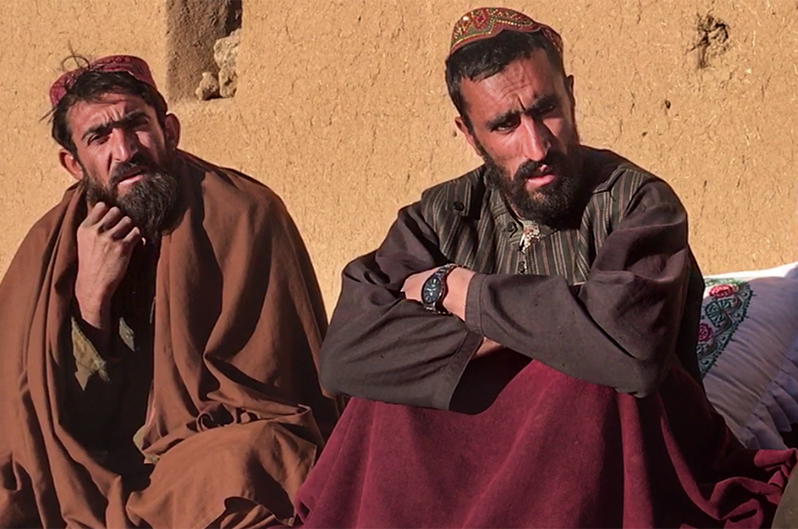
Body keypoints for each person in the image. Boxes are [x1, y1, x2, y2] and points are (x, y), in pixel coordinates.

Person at [293, 7, 796, 528]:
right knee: (388, 400)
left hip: (621, 471)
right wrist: (549, 327)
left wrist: (461, 292)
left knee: (584, 382)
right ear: (468, 133)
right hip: (469, 473)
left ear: (571, 95)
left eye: (546, 109)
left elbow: (629, 353)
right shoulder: (438, 219)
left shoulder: (638, 204)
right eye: (505, 125)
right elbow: (347, 356)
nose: (536, 145)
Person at [0, 55, 339, 528]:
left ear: (170, 131)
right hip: (81, 451)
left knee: (252, 465)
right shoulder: (52, 244)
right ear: (72, 163)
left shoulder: (245, 214)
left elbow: (273, 398)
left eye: (136, 124)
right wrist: (91, 297)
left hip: (198, 447)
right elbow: (34, 408)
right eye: (99, 137)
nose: (124, 149)